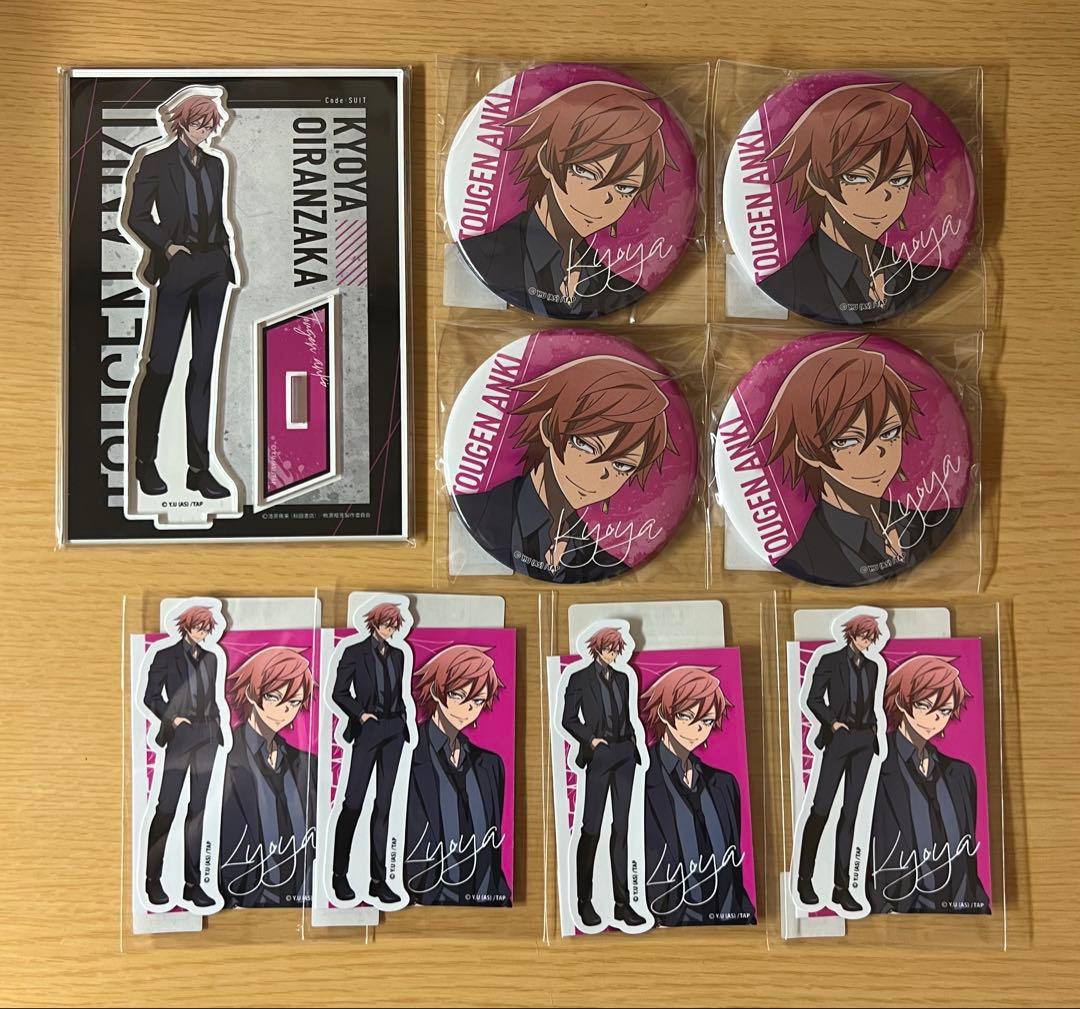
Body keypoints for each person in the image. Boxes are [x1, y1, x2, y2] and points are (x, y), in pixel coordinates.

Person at [752, 337, 961, 586]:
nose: (877, 454)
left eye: (889, 433)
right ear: (807, 450)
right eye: (847, 441)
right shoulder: (805, 558)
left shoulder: (932, 523)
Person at [458, 81, 674, 318]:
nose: (603, 198)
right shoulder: (480, 255)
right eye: (586, 172)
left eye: (624, 187)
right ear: (547, 158)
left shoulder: (619, 289)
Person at [454, 355, 676, 582]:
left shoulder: (604, 562)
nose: (598, 474)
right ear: (548, 428)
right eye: (585, 444)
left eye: (622, 465)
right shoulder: (477, 511)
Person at [759, 82, 951, 326]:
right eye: (857, 177)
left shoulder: (923, 278)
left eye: (899, 180)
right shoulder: (785, 284)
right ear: (816, 178)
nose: (882, 197)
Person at [125, 89, 236, 500]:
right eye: (200, 123)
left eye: (210, 124)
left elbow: (217, 215)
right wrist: (167, 247)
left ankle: (198, 470)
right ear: (183, 122)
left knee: (203, 369)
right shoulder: (155, 162)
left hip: (213, 269)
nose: (206, 131)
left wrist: (225, 257)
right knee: (161, 367)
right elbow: (136, 216)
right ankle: (144, 461)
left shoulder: (216, 165)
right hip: (177, 268)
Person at [868, 655, 990, 914]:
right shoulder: (872, 765)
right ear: (901, 701)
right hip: (894, 917)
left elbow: (967, 860)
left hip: (962, 917)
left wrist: (980, 908)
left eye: (944, 711)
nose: (935, 719)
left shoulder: (961, 775)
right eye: (925, 705)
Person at [640, 665, 756, 926]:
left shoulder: (724, 785)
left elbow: (732, 867)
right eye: (687, 716)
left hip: (728, 925)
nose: (697, 730)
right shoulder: (638, 778)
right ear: (665, 713)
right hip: (664, 927)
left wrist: (745, 918)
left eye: (706, 721)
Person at [404, 644, 510, 906]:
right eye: (458, 695)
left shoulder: (491, 766)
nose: (468, 709)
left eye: (477, 701)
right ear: (436, 691)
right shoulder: (405, 755)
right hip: (423, 904)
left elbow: (492, 848)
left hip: (485, 905)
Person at [795, 614, 883, 913]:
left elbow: (871, 704)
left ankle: (841, 889)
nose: (867, 642)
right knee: (820, 809)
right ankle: (804, 879)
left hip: (864, 742)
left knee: (850, 814)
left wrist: (873, 732)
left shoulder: (872, 668)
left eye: (871, 637)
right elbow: (813, 699)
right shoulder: (830, 660)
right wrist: (833, 723)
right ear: (852, 634)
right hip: (839, 740)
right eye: (864, 636)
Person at [219, 646, 317, 909]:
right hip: (241, 905)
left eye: (294, 702)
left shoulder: (308, 764)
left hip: (302, 902)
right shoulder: (222, 758)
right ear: (252, 693)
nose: (284, 710)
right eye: (274, 697)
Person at [560, 627, 646, 928]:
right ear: (597, 648)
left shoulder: (623, 679)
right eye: (608, 649)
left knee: (621, 829)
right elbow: (568, 719)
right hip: (599, 756)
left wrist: (633, 745)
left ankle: (623, 905)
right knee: (591, 829)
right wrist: (591, 740)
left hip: (625, 756)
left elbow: (628, 716)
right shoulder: (578, 678)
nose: (612, 654)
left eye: (615, 650)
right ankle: (584, 901)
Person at [142, 604, 224, 908]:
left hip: (208, 737)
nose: (202, 632)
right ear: (186, 625)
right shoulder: (165, 656)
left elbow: (213, 697)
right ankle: (152, 879)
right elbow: (150, 696)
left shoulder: (212, 658)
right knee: (167, 807)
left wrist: (217, 726)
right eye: (197, 626)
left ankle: (192, 885)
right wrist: (172, 719)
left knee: (198, 810)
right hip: (180, 737)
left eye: (206, 628)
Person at [330, 602, 409, 904]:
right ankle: (339, 875)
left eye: (393, 625)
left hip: (394, 732)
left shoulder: (399, 655)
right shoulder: (354, 652)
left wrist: (402, 720)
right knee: (353, 802)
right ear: (374, 623)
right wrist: (361, 714)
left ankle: (378, 881)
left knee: (384, 805)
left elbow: (399, 692)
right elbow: (339, 692)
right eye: (386, 623)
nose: (389, 629)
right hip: (368, 730)